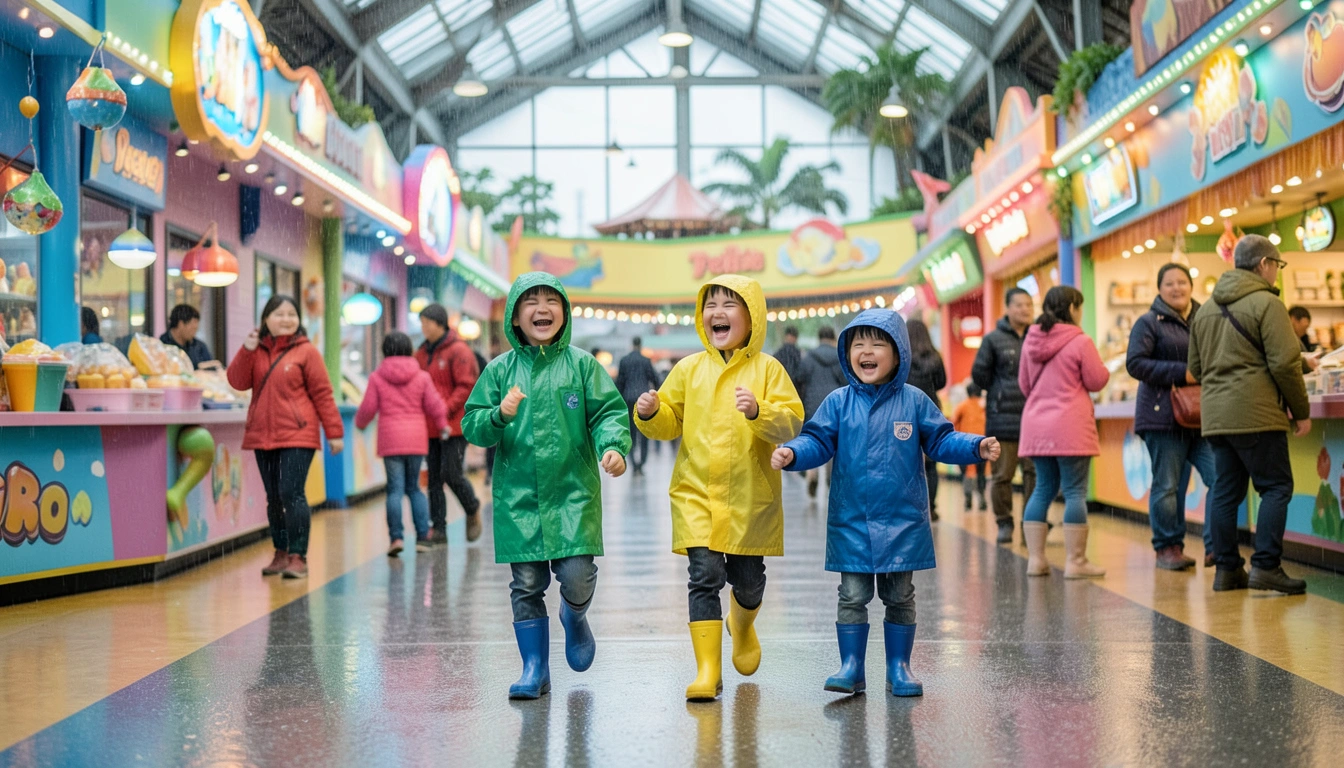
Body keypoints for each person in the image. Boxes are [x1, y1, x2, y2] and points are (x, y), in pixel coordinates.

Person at [773, 309, 998, 698]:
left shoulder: (914, 401)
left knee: (900, 596)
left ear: (898, 354)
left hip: (902, 519)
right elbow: (818, 440)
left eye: (877, 344)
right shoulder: (839, 402)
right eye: (858, 344)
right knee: (851, 596)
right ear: (847, 353)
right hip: (852, 519)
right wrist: (794, 453)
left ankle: (899, 667)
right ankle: (851, 666)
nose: (866, 351)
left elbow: (942, 439)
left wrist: (974, 446)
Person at [462, 273, 631, 699]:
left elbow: (608, 413)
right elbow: (473, 425)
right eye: (531, 301)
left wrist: (612, 445)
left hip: (574, 493)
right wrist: (498, 415)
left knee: (577, 576)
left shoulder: (582, 366)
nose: (542, 309)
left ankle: (575, 616)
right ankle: (534, 667)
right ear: (514, 317)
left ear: (565, 312)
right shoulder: (500, 371)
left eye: (551, 301)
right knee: (526, 585)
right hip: (519, 498)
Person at [635, 275, 803, 702]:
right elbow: (671, 421)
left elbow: (791, 421)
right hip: (696, 494)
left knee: (749, 582)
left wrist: (760, 411)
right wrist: (651, 414)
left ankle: (741, 625)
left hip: (750, 497)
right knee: (704, 576)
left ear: (752, 316)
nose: (718, 313)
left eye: (730, 304)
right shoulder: (689, 369)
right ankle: (707, 671)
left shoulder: (769, 369)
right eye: (710, 305)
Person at [1189, 235, 1312, 595]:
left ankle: (1227, 570)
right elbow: (1284, 363)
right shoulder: (1268, 303)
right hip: (1257, 413)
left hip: (1216, 418)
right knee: (1275, 486)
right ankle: (1267, 567)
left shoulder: (1205, 310)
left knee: (1225, 491)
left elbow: (1195, 368)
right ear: (1264, 264)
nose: (1276, 272)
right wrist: (1301, 411)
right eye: (1277, 265)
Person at [227, 295, 344, 580]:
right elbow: (237, 382)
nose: (287, 319)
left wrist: (334, 433)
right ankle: (281, 552)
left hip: (298, 434)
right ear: (266, 319)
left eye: (292, 314)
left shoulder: (307, 352)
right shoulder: (255, 350)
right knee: (274, 497)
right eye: (279, 314)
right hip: (263, 434)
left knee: (292, 493)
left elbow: (323, 394)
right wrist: (246, 350)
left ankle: (298, 555)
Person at [1125, 263, 1217, 570]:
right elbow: (1135, 363)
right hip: (1162, 416)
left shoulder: (1206, 319)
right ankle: (1167, 547)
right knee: (1168, 486)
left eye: (1182, 282)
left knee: (1220, 478)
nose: (1176, 288)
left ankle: (1217, 546)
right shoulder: (1149, 323)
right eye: (1169, 283)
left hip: (1201, 414)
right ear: (1159, 289)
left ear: (1191, 285)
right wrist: (1182, 373)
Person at [1018, 286, 1110, 580]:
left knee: (1042, 488)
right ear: (1072, 308)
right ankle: (1076, 561)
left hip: (1037, 425)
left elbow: (1024, 384)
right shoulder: (1080, 341)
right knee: (1074, 492)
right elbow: (1096, 381)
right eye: (1079, 307)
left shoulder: (1031, 340)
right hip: (1071, 425)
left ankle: (1036, 560)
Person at [355, 331, 449, 557]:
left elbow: (368, 408)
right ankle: (423, 536)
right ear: (409, 350)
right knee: (414, 488)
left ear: (385, 351)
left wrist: (361, 423)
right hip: (415, 439)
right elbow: (435, 404)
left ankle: (396, 538)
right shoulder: (421, 377)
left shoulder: (377, 377)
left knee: (394, 490)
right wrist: (443, 425)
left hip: (391, 441)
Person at [972, 288, 1038, 543]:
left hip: (1035, 418)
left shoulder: (1038, 336)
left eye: (1028, 304)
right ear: (1008, 308)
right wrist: (1000, 391)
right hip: (1002, 419)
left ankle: (1031, 524)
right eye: (1019, 305)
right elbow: (980, 375)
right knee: (1002, 476)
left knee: (1034, 475)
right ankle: (1004, 522)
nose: (1025, 309)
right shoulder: (993, 340)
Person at [415, 304, 483, 545]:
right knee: (433, 478)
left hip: (455, 426)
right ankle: (439, 528)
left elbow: (466, 385)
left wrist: (445, 409)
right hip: (430, 427)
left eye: (426, 322)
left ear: (439, 323)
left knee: (451, 473)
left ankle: (472, 507)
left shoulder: (459, 351)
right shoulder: (421, 353)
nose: (423, 327)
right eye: (422, 323)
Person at [795, 324, 847, 498]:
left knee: (814, 439)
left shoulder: (809, 357)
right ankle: (830, 477)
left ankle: (812, 474)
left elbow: (800, 378)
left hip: (812, 405)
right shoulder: (839, 357)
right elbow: (845, 381)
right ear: (833, 338)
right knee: (833, 441)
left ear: (819, 338)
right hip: (835, 404)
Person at [905, 319, 947, 521]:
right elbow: (942, 383)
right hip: (931, 411)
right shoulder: (935, 357)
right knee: (930, 463)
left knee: (907, 461)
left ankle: (912, 506)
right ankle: (931, 507)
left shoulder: (902, 359)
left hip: (905, 413)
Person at [615, 337, 660, 475]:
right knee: (644, 431)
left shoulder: (624, 361)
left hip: (628, 398)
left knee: (631, 432)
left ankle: (634, 464)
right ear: (640, 345)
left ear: (632, 344)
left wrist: (618, 401)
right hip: (643, 399)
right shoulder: (645, 361)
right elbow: (655, 379)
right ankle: (642, 463)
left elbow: (620, 382)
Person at [953, 383, 989, 512]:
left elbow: (953, 422)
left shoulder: (962, 406)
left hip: (965, 443)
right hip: (982, 443)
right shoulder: (984, 405)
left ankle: (968, 499)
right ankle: (982, 498)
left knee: (966, 472)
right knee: (981, 473)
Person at [161, 304, 215, 368]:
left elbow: (211, 367)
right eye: (193, 328)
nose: (195, 332)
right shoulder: (162, 345)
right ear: (181, 324)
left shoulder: (199, 346)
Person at [774, 325, 804, 390]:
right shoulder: (798, 354)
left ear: (786, 336)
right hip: (795, 389)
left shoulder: (778, 353)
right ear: (796, 338)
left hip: (781, 387)